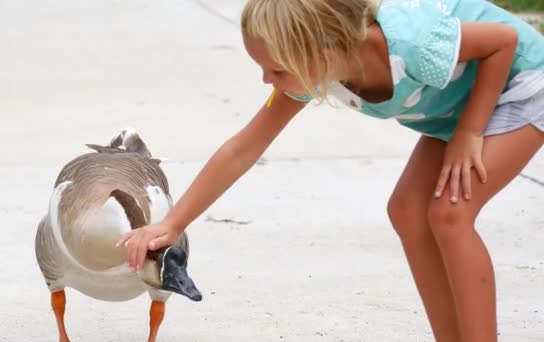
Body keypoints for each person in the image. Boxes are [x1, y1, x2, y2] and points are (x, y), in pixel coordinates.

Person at [117, 0, 544, 340]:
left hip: (521, 83)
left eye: (276, 69)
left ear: (320, 55)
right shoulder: (314, 69)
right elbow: (243, 148)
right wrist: (173, 223)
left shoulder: (409, 44)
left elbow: (502, 41)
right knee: (408, 212)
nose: (268, 80)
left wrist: (470, 132)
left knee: (450, 214)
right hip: (455, 109)